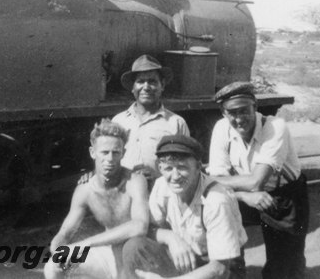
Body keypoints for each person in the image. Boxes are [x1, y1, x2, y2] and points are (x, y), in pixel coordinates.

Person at [207, 81, 309, 279]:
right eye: (232, 112)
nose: (239, 118)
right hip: (246, 196)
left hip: (284, 196)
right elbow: (215, 180)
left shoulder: (274, 126)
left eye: (244, 111)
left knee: (284, 269)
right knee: (219, 211)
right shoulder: (221, 128)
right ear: (223, 113)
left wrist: (218, 181)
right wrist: (243, 196)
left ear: (255, 108)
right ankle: (233, 274)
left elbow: (257, 181)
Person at [120, 134, 248, 279]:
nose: (175, 176)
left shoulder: (216, 199)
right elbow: (146, 228)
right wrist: (170, 237)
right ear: (159, 167)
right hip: (187, 259)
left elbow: (220, 269)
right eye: (168, 168)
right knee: (134, 246)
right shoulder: (161, 186)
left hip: (222, 269)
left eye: (182, 167)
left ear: (198, 167)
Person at [45, 119, 149, 279]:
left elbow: (139, 226)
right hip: (106, 254)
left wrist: (84, 244)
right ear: (93, 152)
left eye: (116, 152)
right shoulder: (85, 189)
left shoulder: (135, 181)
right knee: (52, 267)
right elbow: (65, 232)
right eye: (104, 152)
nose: (110, 158)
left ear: (123, 153)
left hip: (135, 254)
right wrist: (58, 249)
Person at [112, 55, 190, 185]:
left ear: (162, 85)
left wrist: (158, 177)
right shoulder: (118, 121)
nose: (146, 87)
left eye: (152, 81)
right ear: (133, 87)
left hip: (161, 194)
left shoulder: (176, 123)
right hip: (124, 192)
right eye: (140, 81)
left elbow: (186, 165)